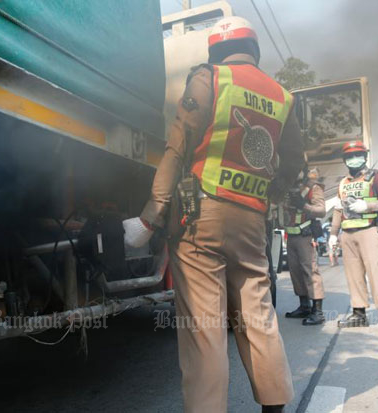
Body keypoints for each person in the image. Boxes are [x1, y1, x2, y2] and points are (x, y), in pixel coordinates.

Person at [122, 16, 304, 413]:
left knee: (204, 329)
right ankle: (275, 407)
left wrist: (150, 217)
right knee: (257, 315)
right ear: (252, 49)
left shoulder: (209, 79)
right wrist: (269, 192)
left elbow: (177, 149)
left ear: (216, 51)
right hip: (252, 221)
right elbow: (293, 162)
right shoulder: (283, 97)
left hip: (200, 221)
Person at [328, 141, 378, 334]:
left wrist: (367, 206)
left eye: (357, 155)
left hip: (370, 231)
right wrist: (333, 235)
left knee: (376, 273)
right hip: (348, 234)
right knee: (353, 276)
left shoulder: (377, 176)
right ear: (345, 160)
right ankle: (359, 314)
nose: (353, 159)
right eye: (349, 156)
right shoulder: (342, 183)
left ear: (365, 157)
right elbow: (338, 209)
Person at [283, 167, 326, 325]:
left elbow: (321, 211)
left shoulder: (313, 189)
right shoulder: (288, 190)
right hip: (292, 236)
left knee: (310, 271)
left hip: (305, 236)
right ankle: (304, 306)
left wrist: (303, 205)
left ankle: (318, 311)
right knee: (296, 272)